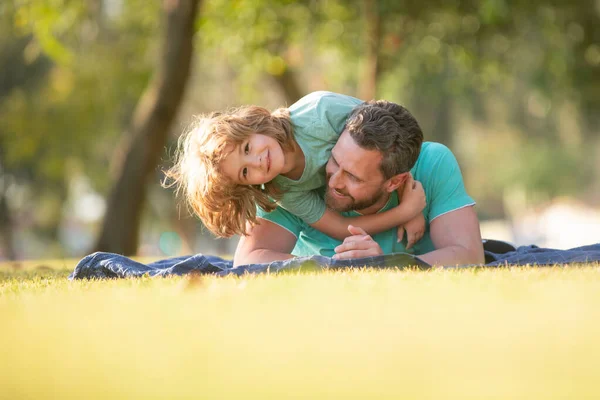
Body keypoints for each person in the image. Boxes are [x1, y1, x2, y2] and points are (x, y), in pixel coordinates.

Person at [234, 98, 485, 267]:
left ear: (394, 181)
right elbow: (248, 261)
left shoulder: (432, 163)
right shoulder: (289, 178)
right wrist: (336, 268)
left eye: (353, 177)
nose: (334, 182)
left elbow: (470, 256)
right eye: (334, 160)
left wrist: (385, 264)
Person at [164, 91, 426, 247]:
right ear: (245, 187)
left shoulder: (321, 112)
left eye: (246, 148)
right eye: (245, 173)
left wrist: (407, 195)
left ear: (252, 126)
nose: (256, 161)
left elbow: (389, 137)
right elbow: (338, 227)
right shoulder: (284, 190)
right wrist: (404, 212)